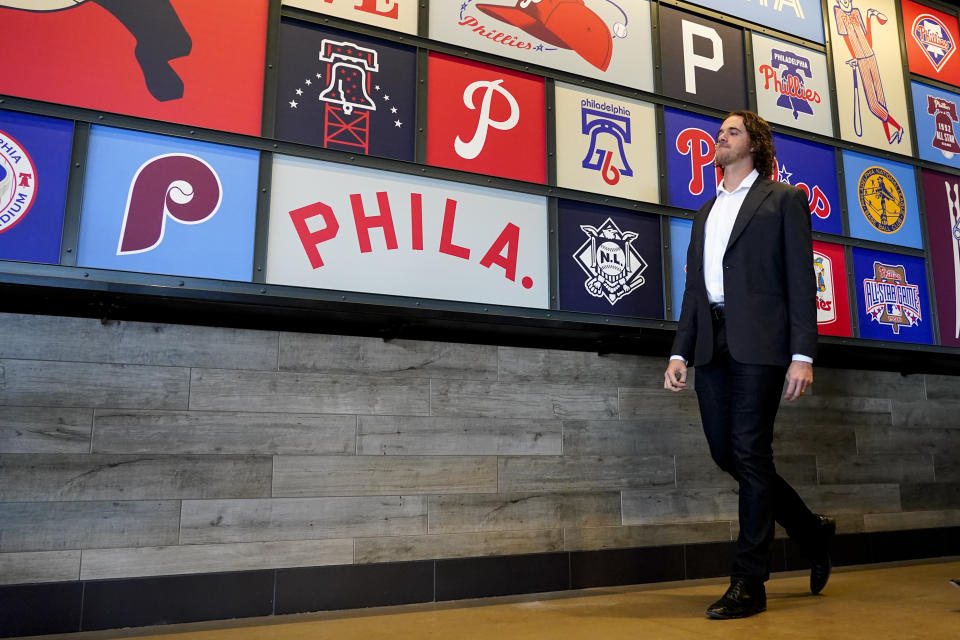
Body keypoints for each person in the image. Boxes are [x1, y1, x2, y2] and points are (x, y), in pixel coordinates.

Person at [663, 110, 835, 619]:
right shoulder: (705, 211)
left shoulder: (783, 200)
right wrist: (679, 350)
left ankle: (749, 581)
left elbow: (803, 279)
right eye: (719, 133)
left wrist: (802, 354)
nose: (721, 138)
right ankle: (811, 531)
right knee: (727, 454)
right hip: (710, 343)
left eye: (732, 131)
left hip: (761, 344)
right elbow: (695, 289)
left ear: (755, 145)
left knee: (750, 450)